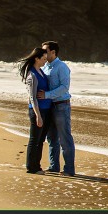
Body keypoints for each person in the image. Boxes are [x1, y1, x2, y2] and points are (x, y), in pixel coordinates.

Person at [38, 40, 76, 176]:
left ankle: (69, 169)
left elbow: (65, 87)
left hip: (61, 105)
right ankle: (54, 166)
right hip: (48, 106)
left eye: (45, 51)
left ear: (53, 52)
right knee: (52, 138)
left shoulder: (62, 67)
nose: (43, 53)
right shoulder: (44, 67)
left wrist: (47, 95)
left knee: (65, 138)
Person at [18, 47, 53, 174]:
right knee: (34, 139)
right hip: (37, 111)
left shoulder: (40, 71)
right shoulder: (32, 75)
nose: (45, 61)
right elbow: (32, 97)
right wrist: (38, 115)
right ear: (36, 58)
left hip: (45, 110)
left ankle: (37, 165)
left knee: (40, 140)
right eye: (43, 59)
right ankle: (31, 167)